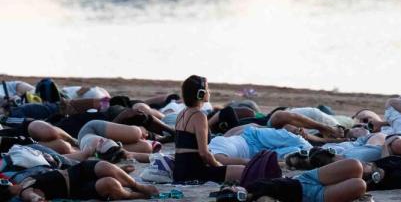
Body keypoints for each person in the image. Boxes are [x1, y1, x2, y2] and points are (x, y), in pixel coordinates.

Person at [173, 75, 244, 184]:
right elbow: (203, 153)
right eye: (207, 88)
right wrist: (217, 165)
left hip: (179, 171)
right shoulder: (199, 116)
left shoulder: (181, 114)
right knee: (243, 171)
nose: (209, 91)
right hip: (194, 172)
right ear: (200, 94)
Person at [0, 160, 158, 201]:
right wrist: (37, 199)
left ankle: (137, 186)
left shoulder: (22, 179)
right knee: (109, 183)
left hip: (75, 171)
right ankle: (133, 195)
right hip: (76, 188)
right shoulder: (24, 192)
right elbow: (32, 197)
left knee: (104, 166)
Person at [248, 158, 367, 202]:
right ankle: (353, 196)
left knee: (354, 165)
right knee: (359, 185)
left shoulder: (247, 187)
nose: (232, 190)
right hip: (311, 196)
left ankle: (351, 196)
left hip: (302, 179)